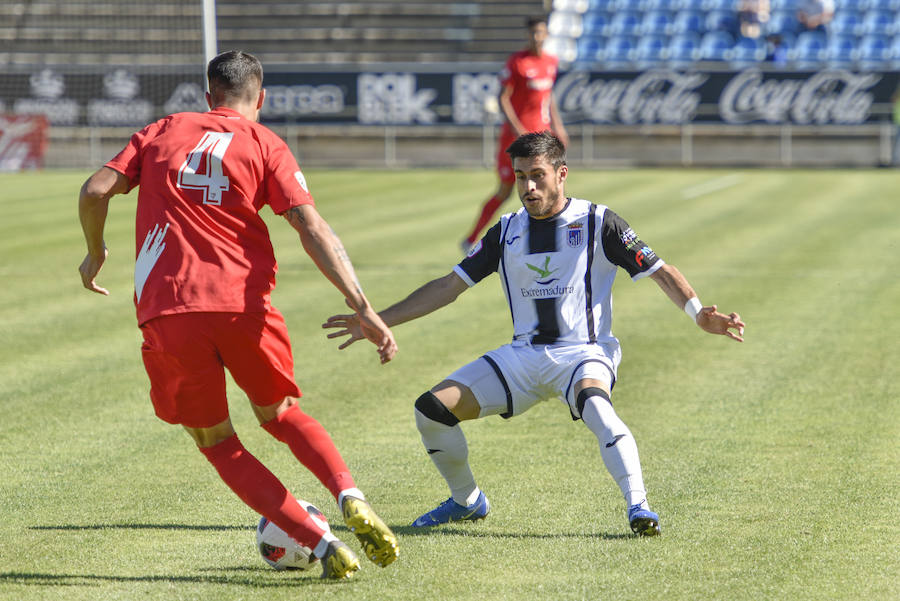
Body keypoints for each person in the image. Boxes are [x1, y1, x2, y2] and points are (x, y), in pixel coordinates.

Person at [77, 50, 399, 579]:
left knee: (217, 440)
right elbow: (312, 227)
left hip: (170, 309)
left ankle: (320, 543)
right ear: (261, 98)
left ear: (209, 96)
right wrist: (362, 305)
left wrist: (95, 251)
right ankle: (349, 495)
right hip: (243, 306)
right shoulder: (264, 141)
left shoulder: (162, 129)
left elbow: (94, 189)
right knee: (281, 414)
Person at [325, 132, 745, 536]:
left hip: (584, 352)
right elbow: (448, 286)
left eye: (537, 175)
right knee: (431, 411)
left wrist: (696, 312)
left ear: (561, 174)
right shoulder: (506, 230)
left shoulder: (599, 222)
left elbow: (660, 270)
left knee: (596, 407)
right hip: (523, 358)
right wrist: (377, 320)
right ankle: (468, 500)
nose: (527, 186)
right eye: (520, 176)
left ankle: (639, 506)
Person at [461, 15, 569, 254]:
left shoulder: (550, 62)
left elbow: (548, 98)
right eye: (533, 33)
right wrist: (517, 129)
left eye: (540, 32)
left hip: (542, 138)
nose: (536, 37)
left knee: (549, 188)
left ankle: (547, 241)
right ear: (527, 35)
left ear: (546, 35)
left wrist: (558, 127)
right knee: (506, 190)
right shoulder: (517, 62)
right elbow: (503, 97)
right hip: (515, 140)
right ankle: (471, 238)